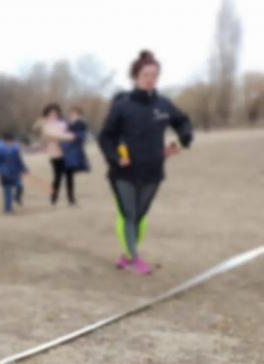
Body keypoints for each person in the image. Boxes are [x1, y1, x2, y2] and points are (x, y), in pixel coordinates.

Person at [99, 50, 193, 274]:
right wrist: (115, 157)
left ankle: (126, 254)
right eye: (145, 75)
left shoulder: (163, 104)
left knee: (140, 216)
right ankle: (134, 258)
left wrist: (179, 143)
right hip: (125, 171)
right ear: (135, 77)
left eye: (154, 75)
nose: (150, 79)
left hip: (153, 170)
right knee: (129, 215)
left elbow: (184, 124)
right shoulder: (122, 105)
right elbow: (105, 137)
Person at [35, 103, 75, 205]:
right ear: (47, 114)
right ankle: (54, 198)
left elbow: (70, 133)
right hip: (55, 154)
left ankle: (71, 199)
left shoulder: (63, 124)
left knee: (70, 176)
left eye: (55, 113)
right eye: (51, 113)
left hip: (67, 153)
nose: (53, 115)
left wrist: (68, 135)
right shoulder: (45, 125)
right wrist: (69, 136)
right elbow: (53, 135)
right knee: (57, 177)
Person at [60, 106, 91, 204]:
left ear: (79, 115)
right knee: (68, 175)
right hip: (66, 149)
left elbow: (81, 136)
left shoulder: (81, 124)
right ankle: (70, 197)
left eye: (74, 114)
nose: (72, 115)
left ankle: (71, 197)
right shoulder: (68, 123)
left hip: (73, 150)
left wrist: (72, 136)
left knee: (69, 173)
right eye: (71, 113)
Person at [0, 132, 28, 213]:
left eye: (11, 141)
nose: (10, 142)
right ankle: (8, 208)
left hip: (15, 171)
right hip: (5, 173)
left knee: (20, 186)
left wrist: (24, 168)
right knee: (7, 191)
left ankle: (17, 197)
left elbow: (19, 160)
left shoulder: (15, 149)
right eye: (8, 141)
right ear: (5, 141)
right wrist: (2, 171)